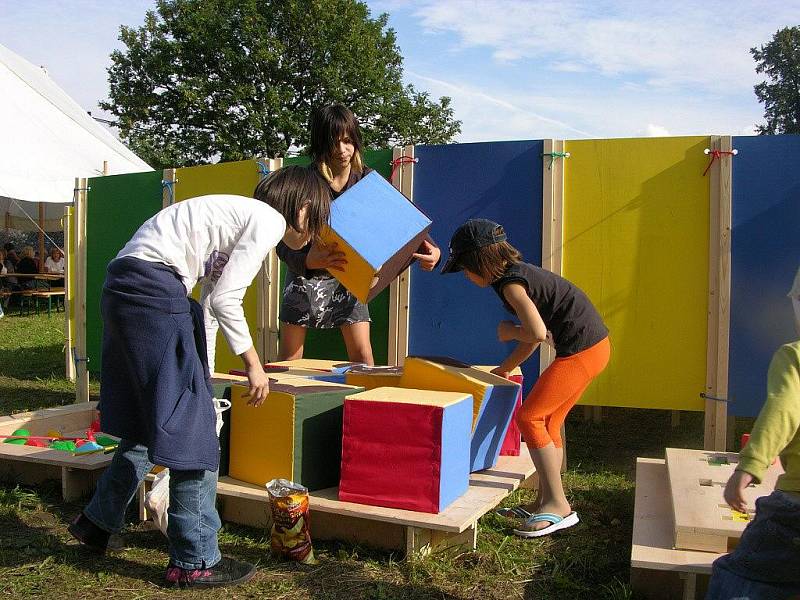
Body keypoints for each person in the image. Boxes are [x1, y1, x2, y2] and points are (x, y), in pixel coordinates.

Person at [68, 165, 332, 589]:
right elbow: (228, 300)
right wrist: (252, 362)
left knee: (146, 421)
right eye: (317, 221)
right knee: (195, 434)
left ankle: (97, 522)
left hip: (124, 287)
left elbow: (209, 308)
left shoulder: (233, 220)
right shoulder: (268, 220)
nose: (314, 234)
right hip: (155, 290)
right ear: (302, 210)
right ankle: (195, 561)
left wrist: (202, 383)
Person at [441, 218, 610, 537]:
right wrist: (506, 367)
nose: (465, 275)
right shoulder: (517, 276)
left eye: (464, 267)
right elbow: (535, 337)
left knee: (531, 418)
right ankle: (546, 498)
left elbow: (534, 333)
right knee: (549, 421)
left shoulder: (511, 285)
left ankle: (559, 506)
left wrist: (508, 332)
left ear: (480, 261)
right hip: (594, 348)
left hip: (582, 352)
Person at [277, 104, 440, 365]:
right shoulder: (304, 182)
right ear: (320, 143)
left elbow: (401, 220)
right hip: (304, 278)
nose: (342, 150)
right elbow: (282, 244)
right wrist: (309, 261)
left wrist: (432, 249)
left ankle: (366, 405)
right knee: (288, 359)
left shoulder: (367, 180)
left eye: (348, 141)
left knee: (363, 359)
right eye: (333, 142)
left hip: (349, 279)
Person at [705, 268, 800, 600]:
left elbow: (784, 409)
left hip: (795, 507)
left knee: (738, 577)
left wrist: (748, 467)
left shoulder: (794, 355)